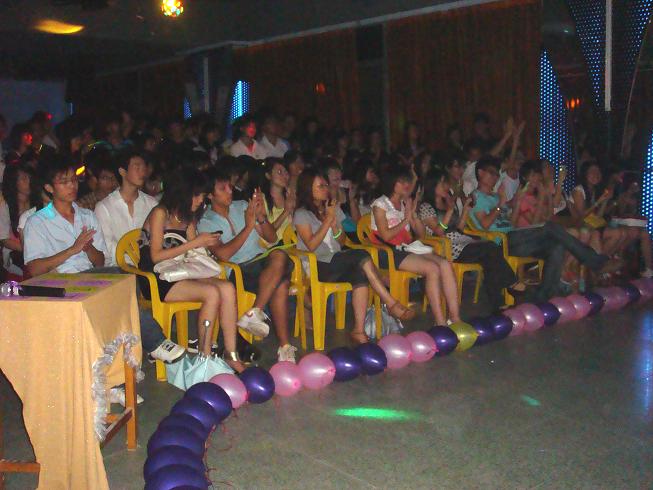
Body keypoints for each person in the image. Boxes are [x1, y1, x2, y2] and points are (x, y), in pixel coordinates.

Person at [138, 168, 245, 369]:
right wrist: (195, 243)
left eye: (202, 196)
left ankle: (231, 353)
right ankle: (205, 355)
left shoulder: (187, 216)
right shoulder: (160, 213)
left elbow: (193, 252)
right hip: (156, 277)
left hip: (180, 270)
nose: (200, 201)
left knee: (227, 288)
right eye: (197, 195)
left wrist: (204, 243)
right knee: (212, 293)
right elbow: (156, 256)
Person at [294, 168, 415, 344]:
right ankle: (390, 303)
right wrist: (327, 221)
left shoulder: (331, 208)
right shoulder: (301, 214)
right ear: (307, 188)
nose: (326, 188)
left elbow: (341, 240)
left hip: (335, 260)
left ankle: (358, 330)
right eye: (320, 186)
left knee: (360, 274)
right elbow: (311, 246)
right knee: (361, 255)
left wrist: (334, 226)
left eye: (326, 185)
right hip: (316, 265)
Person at [471, 156, 612, 301]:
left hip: (514, 238)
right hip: (498, 243)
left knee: (557, 246)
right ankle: (592, 259)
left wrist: (516, 203)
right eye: (491, 173)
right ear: (480, 173)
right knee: (550, 227)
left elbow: (511, 223)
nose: (495, 177)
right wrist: (500, 205)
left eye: (496, 174)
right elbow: (485, 224)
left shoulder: (496, 196)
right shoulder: (476, 197)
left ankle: (544, 295)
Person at [197, 170, 298, 362]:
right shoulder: (206, 222)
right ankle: (283, 345)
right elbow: (224, 254)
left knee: (278, 255)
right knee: (281, 283)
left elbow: (271, 237)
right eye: (223, 188)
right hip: (238, 271)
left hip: (261, 262)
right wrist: (249, 226)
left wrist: (261, 217)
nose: (230, 191)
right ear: (210, 195)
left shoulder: (242, 206)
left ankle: (258, 314)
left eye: (230, 186)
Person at [418, 169, 526, 310]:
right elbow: (439, 231)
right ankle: (511, 283)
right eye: (443, 183)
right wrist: (450, 211)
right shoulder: (425, 207)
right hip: (445, 247)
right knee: (489, 248)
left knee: (489, 255)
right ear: (433, 185)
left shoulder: (447, 203)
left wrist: (465, 210)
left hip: (460, 241)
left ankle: (498, 303)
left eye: (446, 183)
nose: (447, 187)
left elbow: (459, 228)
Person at [370, 165, 461, 326]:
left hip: (406, 248)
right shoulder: (380, 204)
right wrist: (405, 219)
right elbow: (385, 235)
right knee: (432, 269)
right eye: (402, 181)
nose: (406, 185)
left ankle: (455, 317)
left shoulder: (404, 203)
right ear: (392, 182)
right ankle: (440, 322)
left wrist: (413, 215)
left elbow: (421, 235)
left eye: (407, 181)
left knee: (445, 264)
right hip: (387, 252)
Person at [23, 156, 107, 276]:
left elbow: (101, 262)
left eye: (74, 179)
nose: (72, 185)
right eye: (64, 182)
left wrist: (88, 248)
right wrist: (72, 250)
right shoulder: (36, 222)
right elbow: (35, 269)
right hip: (59, 281)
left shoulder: (88, 216)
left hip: (90, 277)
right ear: (49, 188)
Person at [95, 148, 158, 266]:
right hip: (117, 268)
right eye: (137, 167)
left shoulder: (152, 204)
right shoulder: (104, 207)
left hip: (147, 266)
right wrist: (132, 259)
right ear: (122, 171)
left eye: (143, 168)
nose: (142, 172)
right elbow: (106, 247)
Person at [0, 164, 41, 280]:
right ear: (13, 183)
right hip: (17, 255)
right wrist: (29, 250)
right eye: (24, 178)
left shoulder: (38, 202)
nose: (29, 181)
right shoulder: (5, 206)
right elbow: (4, 240)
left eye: (30, 177)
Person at [258, 157, 295, 244]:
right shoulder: (261, 199)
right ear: (268, 175)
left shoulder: (290, 194)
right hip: (274, 246)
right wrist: (286, 211)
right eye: (279, 172)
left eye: (286, 172)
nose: (284, 176)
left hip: (292, 242)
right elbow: (268, 233)